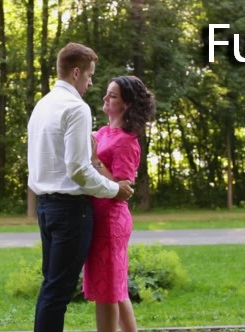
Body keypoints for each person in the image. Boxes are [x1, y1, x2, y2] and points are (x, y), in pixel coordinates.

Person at [27, 43, 135, 332]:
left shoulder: (42, 106)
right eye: (89, 76)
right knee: (58, 292)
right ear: (76, 72)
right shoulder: (76, 108)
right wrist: (114, 190)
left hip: (45, 207)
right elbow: (78, 168)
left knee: (51, 286)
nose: (90, 84)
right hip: (71, 211)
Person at [83, 76, 156, 332]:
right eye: (107, 93)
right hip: (98, 218)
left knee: (107, 292)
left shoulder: (127, 140)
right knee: (116, 288)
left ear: (126, 104)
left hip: (111, 221)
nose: (105, 98)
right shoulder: (103, 132)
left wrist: (95, 160)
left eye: (112, 96)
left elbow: (121, 189)